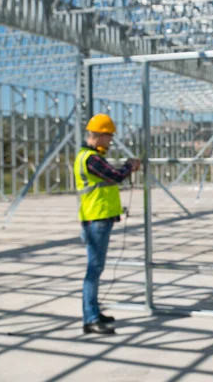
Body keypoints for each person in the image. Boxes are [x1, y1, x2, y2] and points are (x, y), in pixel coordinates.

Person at [74, 113, 141, 334]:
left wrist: (126, 167)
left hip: (97, 219)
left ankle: (93, 311)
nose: (111, 141)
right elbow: (115, 176)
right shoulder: (90, 158)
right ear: (99, 135)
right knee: (94, 269)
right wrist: (129, 166)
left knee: (96, 268)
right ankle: (90, 319)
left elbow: (110, 175)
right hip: (97, 220)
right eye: (109, 136)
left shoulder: (88, 156)